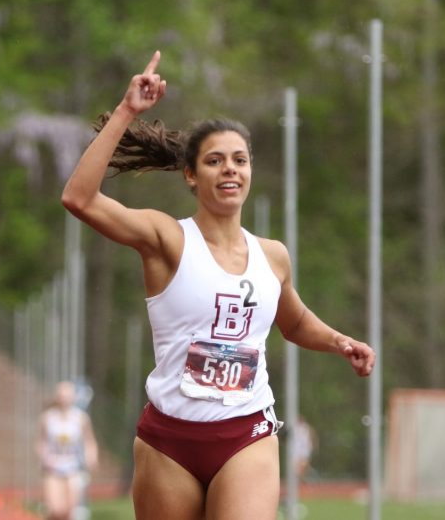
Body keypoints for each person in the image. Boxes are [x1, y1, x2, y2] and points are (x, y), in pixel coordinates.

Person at [61, 50, 375, 519]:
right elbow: (79, 198)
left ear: (250, 172)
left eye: (240, 160)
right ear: (191, 175)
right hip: (169, 442)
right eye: (214, 161)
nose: (230, 168)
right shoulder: (166, 238)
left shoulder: (272, 255)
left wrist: (339, 341)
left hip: (245, 432)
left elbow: (294, 323)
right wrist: (127, 111)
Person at [37, 381, 99, 520]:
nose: (64, 398)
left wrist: (91, 456)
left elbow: (89, 440)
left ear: (73, 397)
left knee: (69, 510)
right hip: (53, 466)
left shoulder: (81, 418)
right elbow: (41, 441)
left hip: (73, 466)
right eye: (61, 395)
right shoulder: (47, 418)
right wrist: (44, 456)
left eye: (67, 395)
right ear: (57, 397)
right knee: (55, 509)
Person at [293, 415, 317, 482]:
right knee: (296, 467)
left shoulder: (306, 427)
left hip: (305, 449)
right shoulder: (294, 427)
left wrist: (313, 445)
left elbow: (312, 435)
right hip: (296, 449)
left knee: (303, 464)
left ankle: (303, 478)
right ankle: (300, 478)